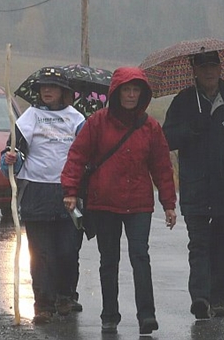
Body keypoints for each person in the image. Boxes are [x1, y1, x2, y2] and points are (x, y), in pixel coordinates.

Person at [61, 67, 177, 336]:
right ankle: (109, 315)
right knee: (109, 260)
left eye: (136, 90)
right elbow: (77, 157)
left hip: (138, 204)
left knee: (140, 257)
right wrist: (70, 190)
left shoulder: (150, 127)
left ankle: (147, 316)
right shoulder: (97, 123)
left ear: (143, 94)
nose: (131, 95)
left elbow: (162, 168)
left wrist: (169, 203)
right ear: (116, 92)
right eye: (127, 89)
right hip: (105, 204)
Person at [162, 50, 224, 320]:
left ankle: (218, 299)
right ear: (194, 70)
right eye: (203, 67)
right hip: (195, 185)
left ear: (221, 69)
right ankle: (200, 297)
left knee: (221, 245)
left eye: (213, 66)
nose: (209, 72)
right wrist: (190, 130)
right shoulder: (183, 102)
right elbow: (166, 139)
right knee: (198, 245)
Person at [0, 67, 86, 324]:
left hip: (69, 192)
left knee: (68, 250)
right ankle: (43, 303)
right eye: (43, 87)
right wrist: (10, 159)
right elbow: (11, 152)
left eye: (53, 87)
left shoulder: (77, 119)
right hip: (37, 191)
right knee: (41, 252)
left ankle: (65, 295)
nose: (47, 91)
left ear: (63, 92)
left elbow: (86, 154)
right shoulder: (29, 118)